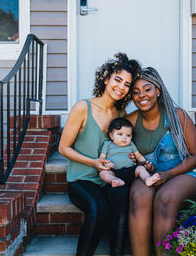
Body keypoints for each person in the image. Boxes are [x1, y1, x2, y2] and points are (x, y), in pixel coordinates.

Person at [58, 53, 141, 256]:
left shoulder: (121, 115)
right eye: (118, 80)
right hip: (82, 180)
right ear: (106, 79)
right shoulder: (82, 107)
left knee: (121, 197)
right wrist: (93, 163)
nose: (121, 87)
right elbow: (63, 148)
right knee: (100, 209)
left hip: (109, 179)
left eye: (127, 85)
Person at [126, 67, 196, 256]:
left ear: (158, 91)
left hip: (183, 173)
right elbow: (122, 152)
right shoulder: (130, 120)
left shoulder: (178, 115)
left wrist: (168, 174)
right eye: (135, 92)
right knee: (139, 197)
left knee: (165, 197)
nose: (141, 96)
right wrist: (138, 164)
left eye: (147, 89)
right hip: (149, 175)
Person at [98, 117, 160, 188]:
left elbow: (138, 156)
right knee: (103, 173)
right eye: (120, 134)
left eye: (128, 135)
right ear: (111, 135)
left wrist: (145, 163)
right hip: (114, 171)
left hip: (130, 170)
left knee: (140, 168)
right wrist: (106, 163)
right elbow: (102, 157)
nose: (124, 137)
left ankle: (147, 179)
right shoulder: (107, 144)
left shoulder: (131, 144)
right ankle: (115, 180)